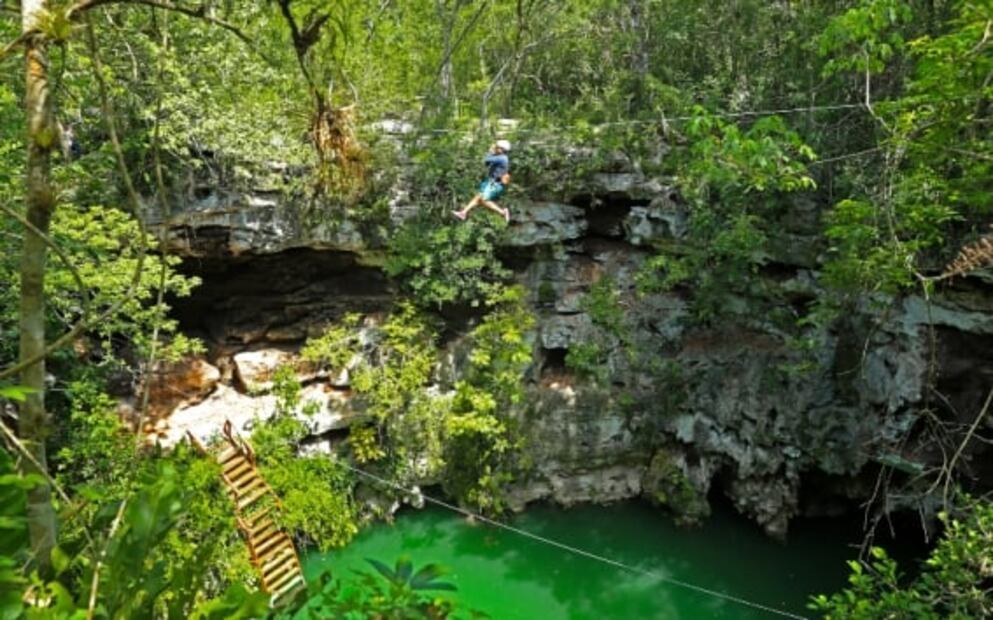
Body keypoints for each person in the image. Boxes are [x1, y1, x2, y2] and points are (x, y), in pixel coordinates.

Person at [453, 139, 512, 222]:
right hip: (491, 182)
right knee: (478, 198)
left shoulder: (502, 158)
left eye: (497, 147)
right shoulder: (500, 157)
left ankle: (502, 212)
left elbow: (486, 160)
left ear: (502, 149)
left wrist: (490, 152)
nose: (495, 148)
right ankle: (463, 213)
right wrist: (492, 154)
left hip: (494, 184)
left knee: (483, 199)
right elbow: (487, 163)